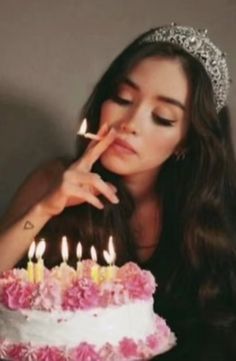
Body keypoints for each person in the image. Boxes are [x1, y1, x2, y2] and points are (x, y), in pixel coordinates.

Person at [0, 24, 236, 360]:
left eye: (163, 117)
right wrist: (43, 210)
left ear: (187, 139)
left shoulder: (210, 214)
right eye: (123, 98)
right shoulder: (53, 180)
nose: (131, 122)